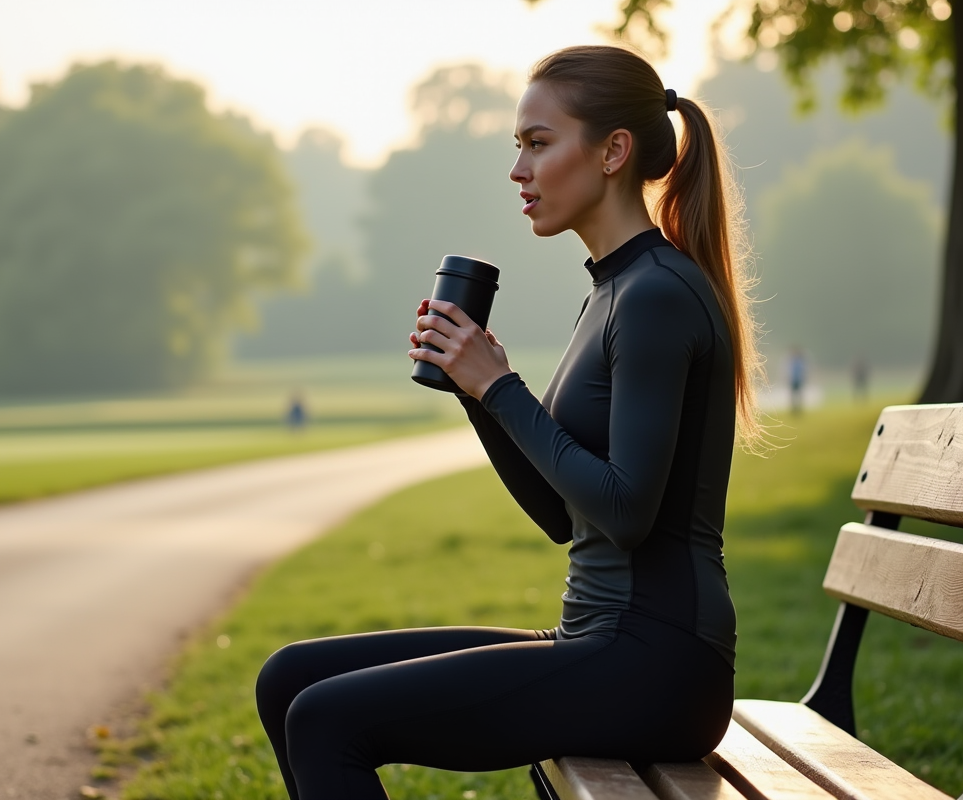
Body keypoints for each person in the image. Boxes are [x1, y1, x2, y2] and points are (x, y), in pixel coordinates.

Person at [255, 44, 763, 800]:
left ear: (613, 152)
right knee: (290, 678)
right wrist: (475, 389)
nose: (518, 170)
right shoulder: (611, 292)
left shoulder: (655, 295)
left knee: (327, 719)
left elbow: (626, 512)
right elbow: (564, 516)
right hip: (604, 640)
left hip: (656, 662)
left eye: (538, 143)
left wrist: (501, 389)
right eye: (517, 147)